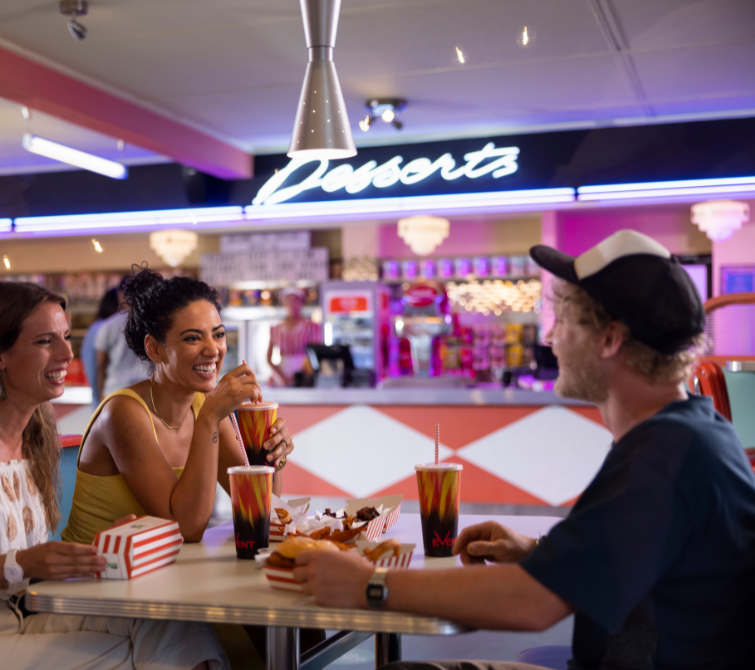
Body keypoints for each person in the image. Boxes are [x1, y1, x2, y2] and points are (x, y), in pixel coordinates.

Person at [294, 230, 755, 669]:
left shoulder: (663, 455)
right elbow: (635, 559)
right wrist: (538, 552)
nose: (550, 338)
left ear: (611, 338)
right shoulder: (689, 432)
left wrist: (369, 585)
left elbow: (533, 604)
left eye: (564, 321)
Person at [0, 281, 228, 670]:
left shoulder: (36, 432)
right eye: (46, 342)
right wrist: (21, 563)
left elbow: (30, 562)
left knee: (170, 621)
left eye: (65, 337)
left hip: (16, 619)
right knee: (124, 656)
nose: (67, 354)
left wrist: (110, 544)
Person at [62, 266, 296, 545]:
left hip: (155, 574)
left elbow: (260, 506)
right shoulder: (123, 413)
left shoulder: (204, 407)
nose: (213, 350)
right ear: (154, 349)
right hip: (90, 578)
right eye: (193, 338)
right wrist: (209, 417)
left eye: (218, 334)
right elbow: (186, 529)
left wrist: (272, 456)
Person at [95, 279, 148, 398]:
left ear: (120, 294)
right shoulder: (153, 324)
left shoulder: (108, 326)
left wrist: (100, 398)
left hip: (116, 390)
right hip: (147, 389)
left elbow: (101, 364)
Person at [267, 287, 321, 387]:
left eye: (295, 301)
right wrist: (282, 377)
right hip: (281, 376)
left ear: (301, 303)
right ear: (284, 304)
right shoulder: (275, 328)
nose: (292, 304)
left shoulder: (311, 327)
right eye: (289, 301)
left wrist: (298, 377)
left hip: (304, 375)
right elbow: (268, 358)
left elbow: (315, 355)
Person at [82, 288, 120, 407]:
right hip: (106, 397)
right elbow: (98, 367)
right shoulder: (105, 328)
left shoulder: (96, 327)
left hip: (102, 397)